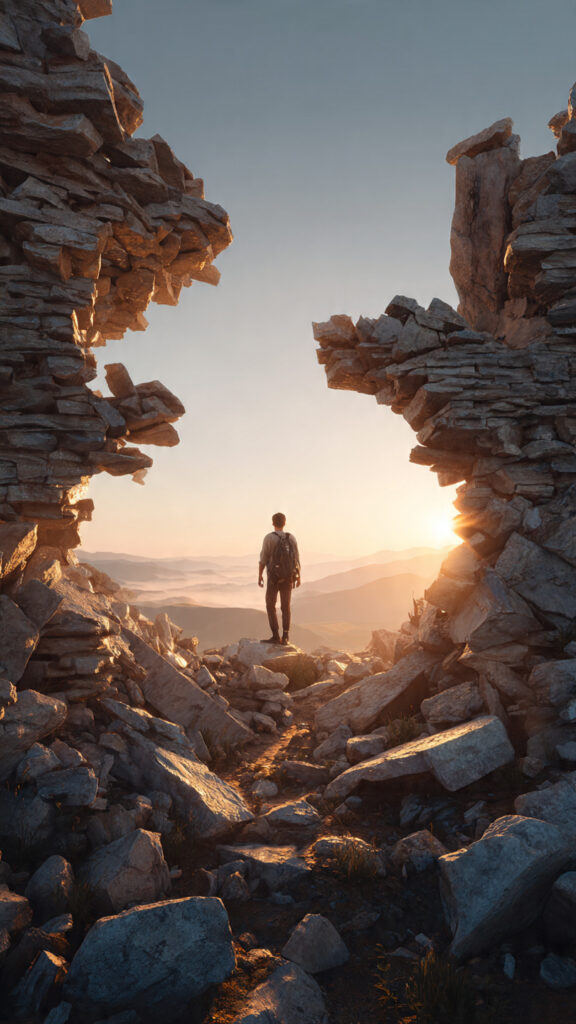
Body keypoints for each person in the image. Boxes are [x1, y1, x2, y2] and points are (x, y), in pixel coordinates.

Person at [258, 512, 301, 645]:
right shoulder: (291, 538)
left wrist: (259, 575)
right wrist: (298, 576)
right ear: (285, 523)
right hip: (289, 577)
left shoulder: (269, 538)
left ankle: (276, 636)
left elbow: (263, 559)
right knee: (285, 606)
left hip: (273, 578)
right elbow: (297, 559)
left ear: (272, 523)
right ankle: (286, 637)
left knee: (270, 605)